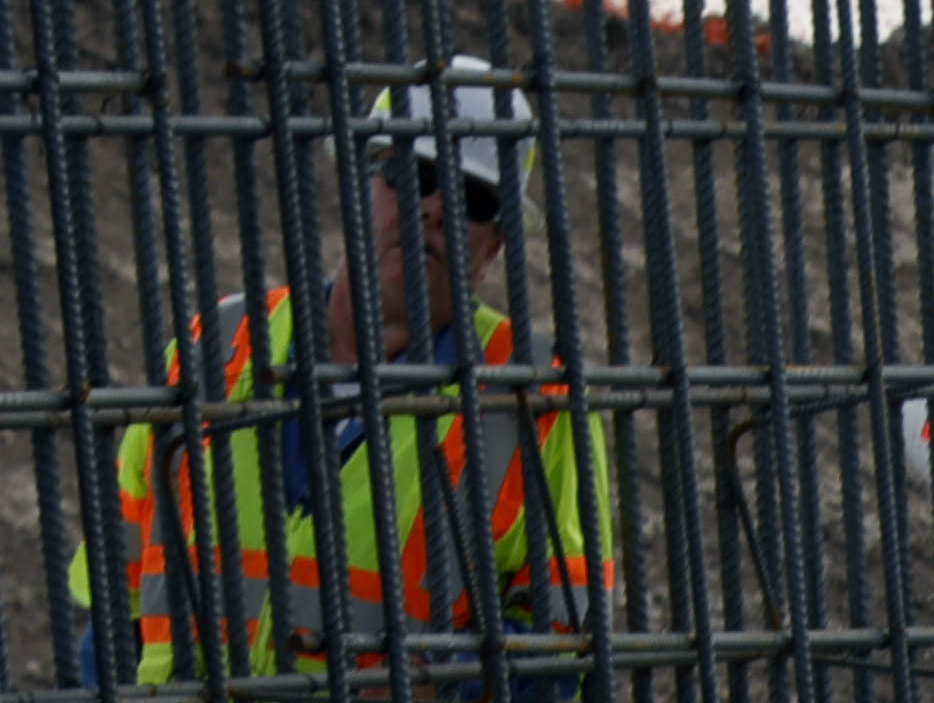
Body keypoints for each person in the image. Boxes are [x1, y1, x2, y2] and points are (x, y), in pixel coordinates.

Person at [58, 62, 619, 686]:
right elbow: (118, 607)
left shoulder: (535, 398)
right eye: (412, 174)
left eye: (471, 198)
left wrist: (441, 682)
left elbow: (569, 644)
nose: (433, 208)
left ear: (494, 246)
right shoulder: (217, 346)